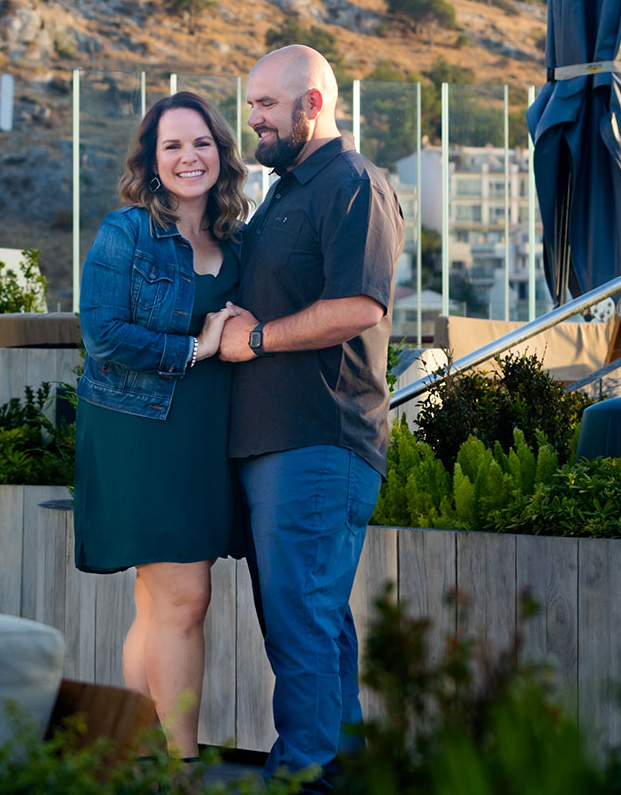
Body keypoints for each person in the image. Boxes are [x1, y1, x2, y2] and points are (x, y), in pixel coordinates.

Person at [219, 45, 402, 787]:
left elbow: (360, 304)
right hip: (278, 447)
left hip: (318, 443)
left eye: (266, 103)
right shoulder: (283, 191)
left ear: (314, 104)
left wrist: (256, 337)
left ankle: (303, 775)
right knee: (316, 624)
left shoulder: (353, 185)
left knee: (301, 625)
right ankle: (340, 772)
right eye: (252, 102)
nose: (252, 117)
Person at [74, 91, 251, 755]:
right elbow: (102, 333)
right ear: (150, 161)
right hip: (138, 433)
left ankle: (142, 759)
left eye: (200, 142)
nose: (188, 156)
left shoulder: (235, 238)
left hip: (202, 437)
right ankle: (179, 765)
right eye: (172, 145)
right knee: (186, 597)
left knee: (159, 605)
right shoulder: (126, 231)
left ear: (220, 152)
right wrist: (194, 347)